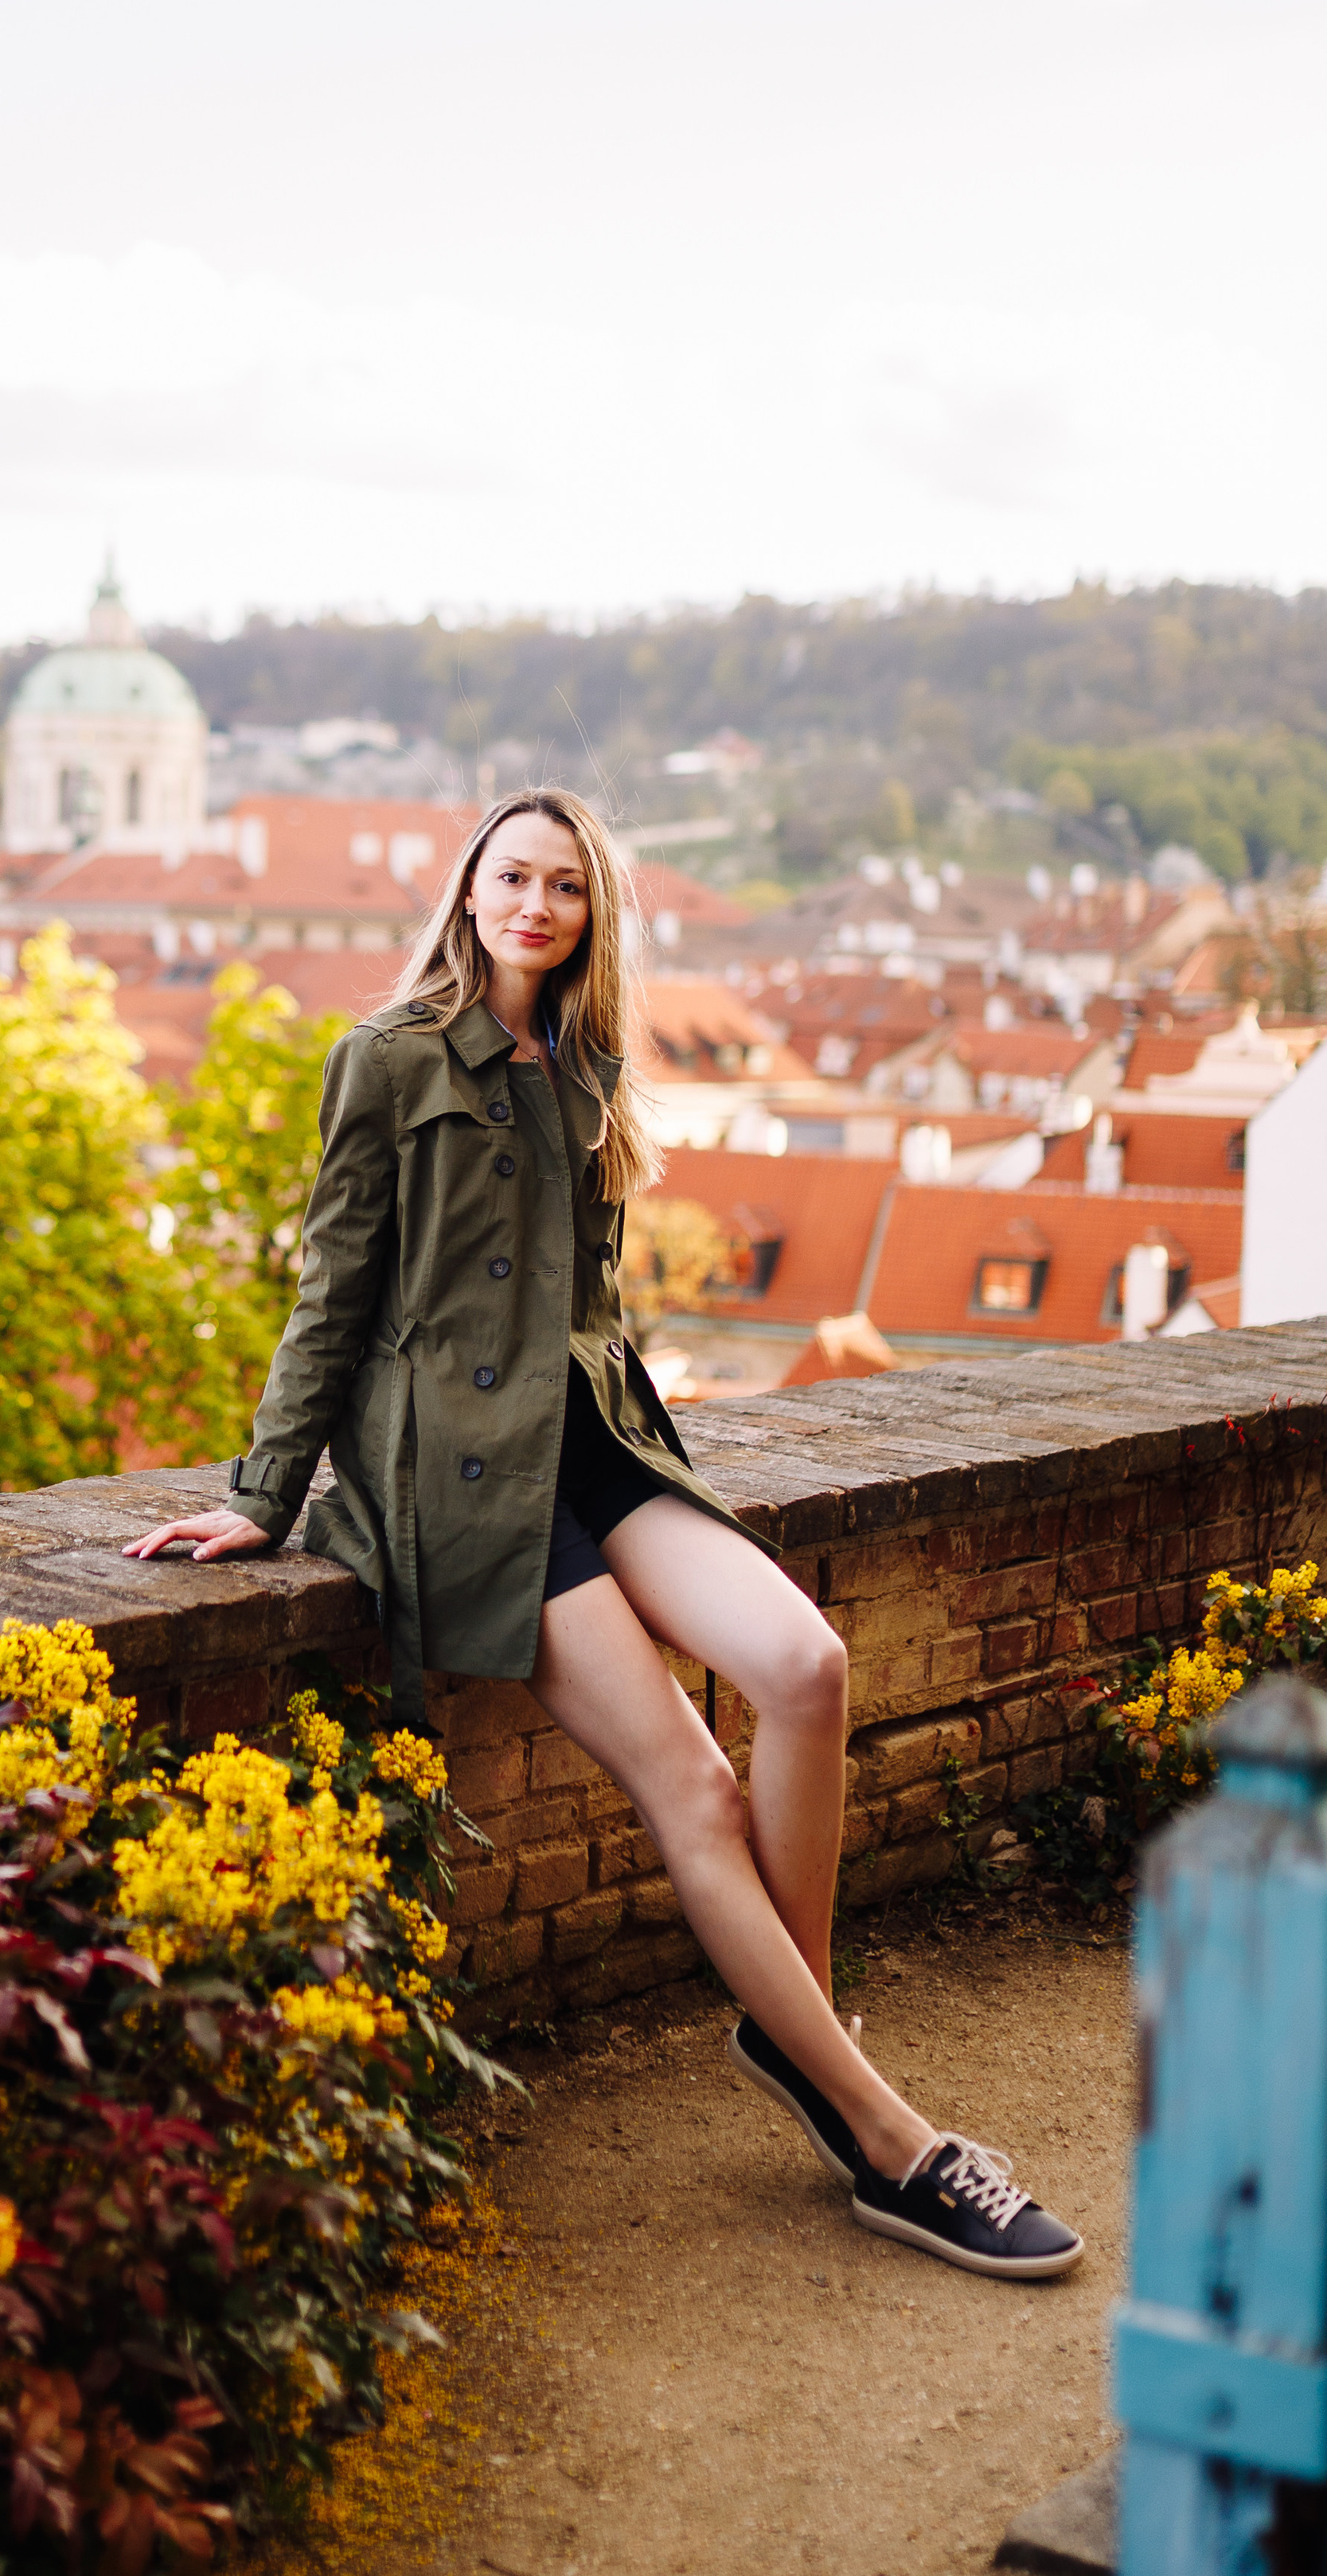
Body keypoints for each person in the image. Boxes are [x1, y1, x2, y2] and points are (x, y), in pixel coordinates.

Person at [126, 789, 1079, 2282]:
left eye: (566, 885)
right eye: (514, 875)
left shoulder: (585, 1066)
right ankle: (889, 2141)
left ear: (592, 915)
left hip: (598, 1443)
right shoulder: (383, 1059)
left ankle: (797, 2023)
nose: (537, 904)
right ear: (469, 892)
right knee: (693, 1791)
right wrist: (263, 1497)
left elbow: (590, 1305)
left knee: (810, 1666)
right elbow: (333, 1290)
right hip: (458, 1482)